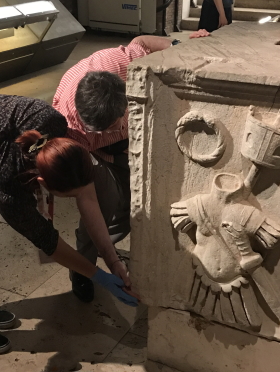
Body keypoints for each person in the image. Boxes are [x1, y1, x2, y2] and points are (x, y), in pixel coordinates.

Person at [52, 30, 210, 303]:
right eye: (101, 129)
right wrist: (109, 152)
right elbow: (85, 197)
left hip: (128, 142)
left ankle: (107, 244)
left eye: (115, 123)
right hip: (95, 153)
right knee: (104, 201)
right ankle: (83, 266)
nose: (110, 129)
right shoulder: (69, 126)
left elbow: (143, 42)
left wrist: (177, 45)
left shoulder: (118, 64)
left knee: (133, 202)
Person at [0, 91, 138, 355]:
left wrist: (112, 261)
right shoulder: (8, 189)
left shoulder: (50, 121)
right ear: (40, 183)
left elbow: (88, 197)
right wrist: (97, 275)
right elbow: (50, 243)